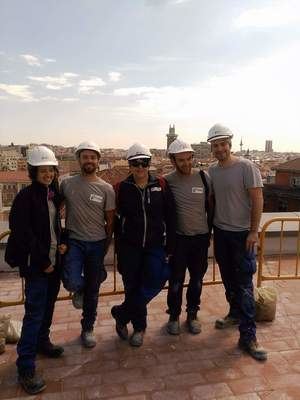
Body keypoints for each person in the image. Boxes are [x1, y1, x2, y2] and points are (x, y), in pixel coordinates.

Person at [5, 146, 67, 395]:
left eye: (51, 170)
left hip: (54, 262)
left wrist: (63, 242)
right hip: (37, 266)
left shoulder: (52, 194)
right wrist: (44, 262)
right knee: (34, 314)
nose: (48, 174)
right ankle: (26, 368)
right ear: (33, 172)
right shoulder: (25, 198)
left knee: (48, 307)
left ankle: (43, 342)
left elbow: (56, 227)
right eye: (43, 171)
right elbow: (23, 236)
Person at [207, 123, 267, 361]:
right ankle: (233, 313)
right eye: (215, 145)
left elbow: (258, 198)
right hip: (221, 233)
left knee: (244, 286)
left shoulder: (246, 167)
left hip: (243, 235)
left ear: (229, 144)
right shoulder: (212, 171)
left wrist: (253, 232)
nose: (220, 148)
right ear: (211, 148)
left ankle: (248, 336)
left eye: (223, 144)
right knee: (229, 279)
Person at [111, 143, 176, 347]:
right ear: (129, 165)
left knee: (158, 278)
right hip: (130, 247)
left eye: (144, 163)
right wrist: (119, 251)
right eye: (135, 163)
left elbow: (171, 217)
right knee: (132, 287)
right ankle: (139, 328)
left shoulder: (161, 185)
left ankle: (121, 313)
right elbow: (115, 223)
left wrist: (170, 246)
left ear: (150, 164)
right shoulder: (121, 189)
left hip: (155, 245)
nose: (140, 168)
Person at [61, 141, 115, 348]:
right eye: (85, 157)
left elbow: (110, 221)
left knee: (93, 292)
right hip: (74, 241)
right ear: (79, 160)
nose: (89, 160)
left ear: (98, 161)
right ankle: (91, 282)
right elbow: (56, 209)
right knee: (72, 282)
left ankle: (88, 328)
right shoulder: (67, 184)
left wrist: (106, 244)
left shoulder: (106, 189)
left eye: (93, 157)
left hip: (96, 243)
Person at [164, 139, 212, 335]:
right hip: (179, 240)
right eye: (180, 160)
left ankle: (192, 314)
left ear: (193, 157)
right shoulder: (167, 181)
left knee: (197, 280)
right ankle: (174, 315)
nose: (186, 163)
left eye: (188, 159)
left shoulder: (203, 177)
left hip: (200, 239)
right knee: (175, 281)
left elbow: (211, 205)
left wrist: (209, 233)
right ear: (173, 161)